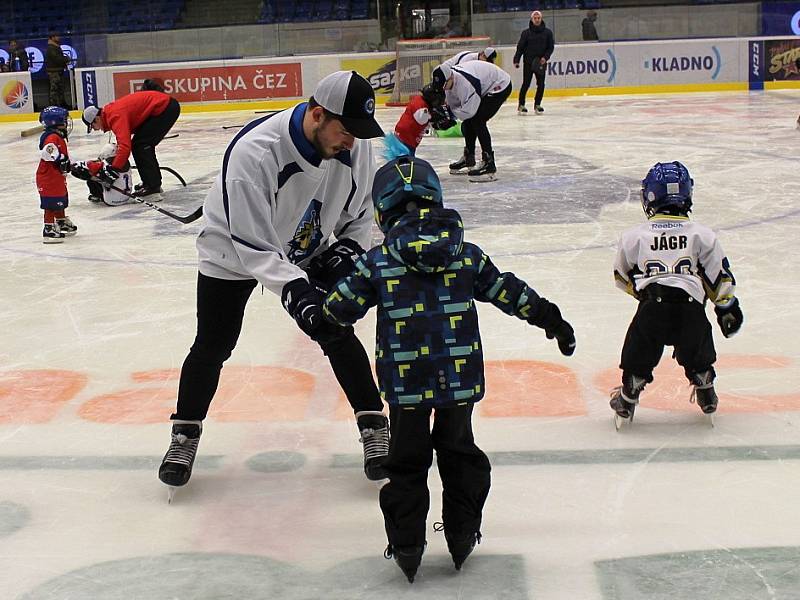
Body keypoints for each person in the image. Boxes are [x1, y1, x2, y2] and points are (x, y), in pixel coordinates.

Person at [322, 156, 575, 582]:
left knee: (405, 462)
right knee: (459, 453)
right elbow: (508, 291)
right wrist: (551, 318)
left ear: (383, 210)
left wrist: (321, 300)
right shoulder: (466, 256)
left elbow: (336, 311)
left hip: (405, 384)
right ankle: (461, 532)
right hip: (459, 380)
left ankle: (407, 543)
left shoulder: (378, 261)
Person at [157, 71, 390, 497]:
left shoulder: (353, 141)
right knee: (213, 343)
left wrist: (347, 254)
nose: (353, 144)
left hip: (307, 244)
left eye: (359, 134)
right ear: (317, 115)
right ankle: (184, 435)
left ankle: (374, 424)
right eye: (345, 132)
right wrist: (297, 291)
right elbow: (254, 245)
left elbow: (359, 216)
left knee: (335, 329)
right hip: (233, 251)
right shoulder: (254, 155)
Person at [610, 161, 743, 424]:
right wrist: (726, 306)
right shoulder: (702, 235)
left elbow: (621, 276)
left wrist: (644, 294)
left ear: (650, 196)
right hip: (690, 307)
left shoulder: (634, 236)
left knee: (640, 352)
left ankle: (629, 394)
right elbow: (719, 276)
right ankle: (705, 386)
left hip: (653, 307)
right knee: (698, 350)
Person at [81, 89, 180, 198]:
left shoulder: (114, 116)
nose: (95, 130)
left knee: (141, 146)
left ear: (97, 119)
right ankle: (151, 183)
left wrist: (114, 169)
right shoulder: (110, 113)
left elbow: (125, 147)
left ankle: (152, 186)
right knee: (141, 145)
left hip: (164, 109)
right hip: (163, 107)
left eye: (92, 126)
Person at [431, 61, 512, 181]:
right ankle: (469, 158)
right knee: (469, 122)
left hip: (500, 85)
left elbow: (469, 112)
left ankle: (489, 164)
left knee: (478, 121)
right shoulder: (448, 81)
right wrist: (449, 116)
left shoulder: (465, 84)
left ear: (450, 78)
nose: (443, 89)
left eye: (444, 85)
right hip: (484, 84)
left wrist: (450, 117)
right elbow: (454, 106)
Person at [36, 106, 77, 243]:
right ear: (56, 121)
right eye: (64, 120)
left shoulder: (56, 136)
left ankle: (60, 221)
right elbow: (47, 152)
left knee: (60, 198)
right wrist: (60, 159)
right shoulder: (52, 137)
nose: (67, 123)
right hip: (48, 176)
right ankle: (48, 228)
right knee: (51, 202)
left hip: (55, 176)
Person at [382, 83, 455, 159]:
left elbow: (426, 121)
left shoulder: (424, 104)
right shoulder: (420, 103)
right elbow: (421, 118)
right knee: (405, 162)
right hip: (405, 138)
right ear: (433, 98)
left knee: (405, 160)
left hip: (408, 138)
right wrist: (434, 117)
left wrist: (437, 125)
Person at [69, 138, 134, 206]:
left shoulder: (107, 163)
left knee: (89, 176)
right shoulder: (123, 161)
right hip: (126, 196)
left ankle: (96, 195)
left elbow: (90, 166)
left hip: (112, 200)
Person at [513, 11, 554, 115]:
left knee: (541, 85)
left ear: (541, 19)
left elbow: (550, 47)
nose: (537, 19)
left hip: (541, 62)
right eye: (535, 18)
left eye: (538, 18)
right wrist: (516, 60)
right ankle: (521, 104)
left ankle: (537, 104)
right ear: (532, 19)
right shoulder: (526, 33)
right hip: (528, 62)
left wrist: (545, 57)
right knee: (526, 84)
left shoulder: (548, 33)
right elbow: (520, 48)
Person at [45, 33, 70, 108]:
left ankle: (61, 103)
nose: (58, 38)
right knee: (55, 90)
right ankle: (54, 105)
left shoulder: (55, 47)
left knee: (60, 89)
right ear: (52, 37)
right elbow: (57, 59)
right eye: (57, 36)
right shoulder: (51, 48)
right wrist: (66, 59)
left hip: (58, 70)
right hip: (54, 72)